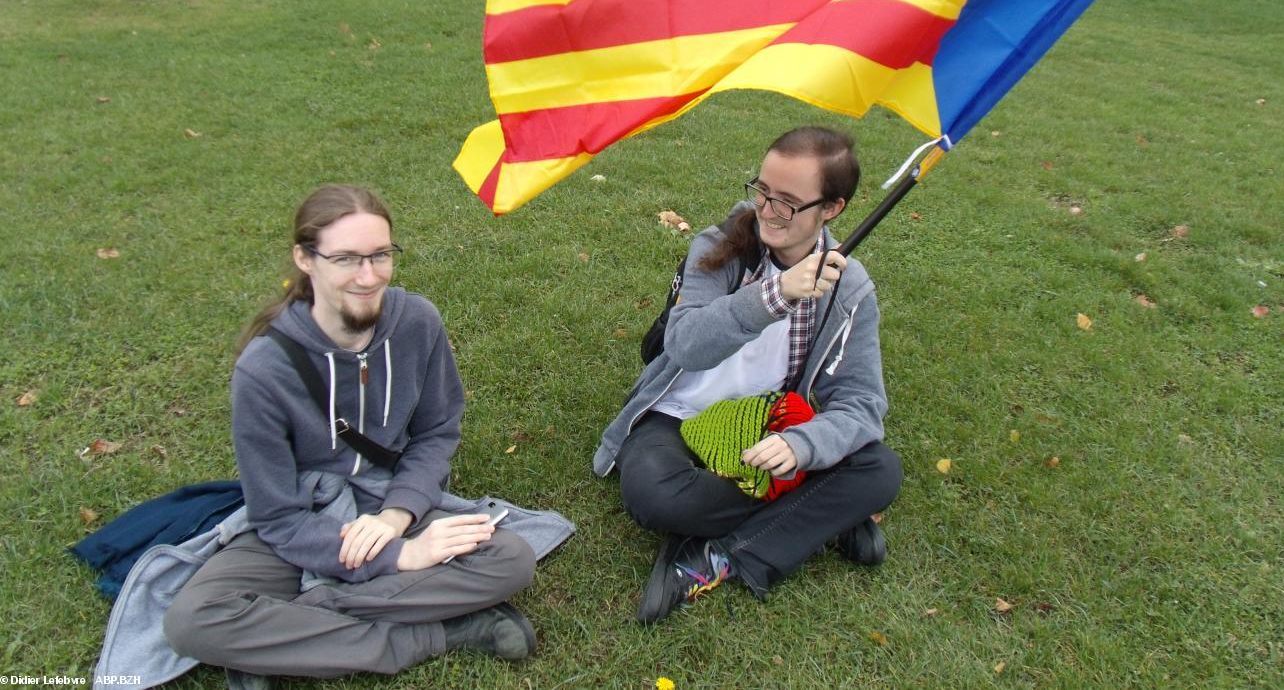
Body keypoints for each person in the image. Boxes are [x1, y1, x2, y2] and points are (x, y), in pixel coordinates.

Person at [164, 185, 539, 686]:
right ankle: (436, 634)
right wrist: (403, 557)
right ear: (305, 259)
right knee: (193, 620)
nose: (368, 277)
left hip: (390, 501)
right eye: (345, 259)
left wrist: (396, 518)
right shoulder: (265, 369)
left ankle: (287, 632)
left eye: (380, 255)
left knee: (511, 560)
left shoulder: (417, 322)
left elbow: (436, 432)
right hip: (304, 524)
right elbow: (277, 515)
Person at [593, 127, 903, 624]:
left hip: (763, 427)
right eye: (761, 191)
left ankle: (713, 557)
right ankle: (825, 516)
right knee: (653, 495)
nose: (766, 211)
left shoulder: (848, 287)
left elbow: (861, 403)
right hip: (676, 413)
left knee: (880, 469)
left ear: (831, 209)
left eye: (787, 203)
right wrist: (774, 295)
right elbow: (684, 345)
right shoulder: (718, 248)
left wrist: (803, 444)